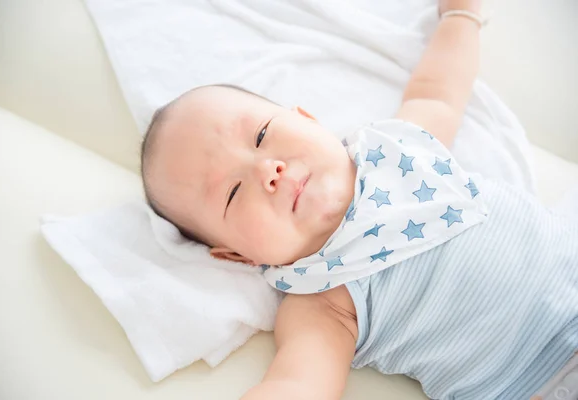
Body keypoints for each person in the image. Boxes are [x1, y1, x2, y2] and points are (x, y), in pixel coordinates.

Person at [140, 0, 578, 398]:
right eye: (233, 194)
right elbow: (300, 382)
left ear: (307, 119)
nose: (265, 171)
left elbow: (438, 90)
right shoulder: (319, 296)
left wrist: (460, 17)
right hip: (535, 381)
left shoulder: (394, 146)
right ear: (238, 255)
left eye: (261, 135)